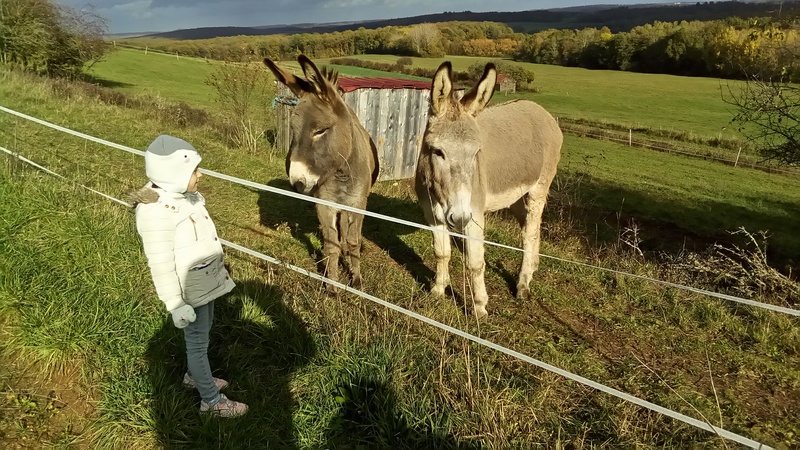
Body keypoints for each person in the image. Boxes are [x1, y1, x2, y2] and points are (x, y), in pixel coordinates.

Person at [130, 134, 248, 418]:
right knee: (197, 343)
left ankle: (194, 377)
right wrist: (175, 303)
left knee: (202, 337)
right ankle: (211, 401)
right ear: (174, 174)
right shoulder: (156, 213)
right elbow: (160, 264)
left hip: (203, 283)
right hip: (189, 291)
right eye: (194, 170)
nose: (200, 174)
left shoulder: (182, 198)